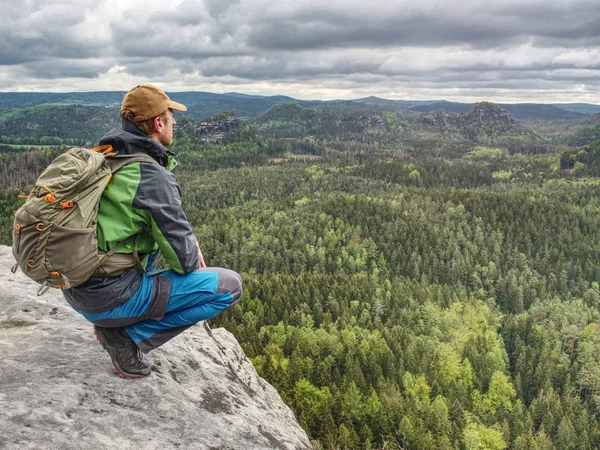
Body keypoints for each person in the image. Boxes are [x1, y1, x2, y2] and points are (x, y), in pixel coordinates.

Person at [62, 84, 242, 379]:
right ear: (158, 123)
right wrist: (190, 244)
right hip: (110, 299)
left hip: (77, 288)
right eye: (171, 118)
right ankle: (126, 337)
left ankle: (119, 325)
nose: (175, 123)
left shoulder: (105, 158)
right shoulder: (151, 176)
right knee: (229, 287)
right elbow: (184, 262)